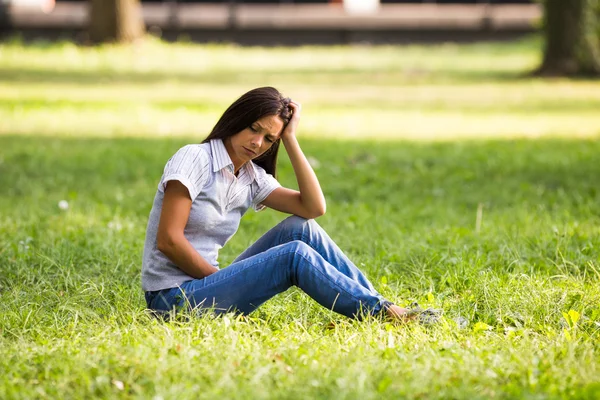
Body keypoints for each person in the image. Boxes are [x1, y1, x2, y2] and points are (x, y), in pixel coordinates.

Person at [141, 86, 416, 322]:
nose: (257, 142)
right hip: (172, 300)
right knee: (293, 254)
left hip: (206, 286)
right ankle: (382, 312)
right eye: (254, 128)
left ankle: (383, 306)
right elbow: (168, 240)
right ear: (238, 118)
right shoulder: (194, 158)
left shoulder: (250, 176)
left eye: (269, 139)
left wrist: (290, 139)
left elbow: (312, 208)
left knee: (300, 228)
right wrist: (217, 278)